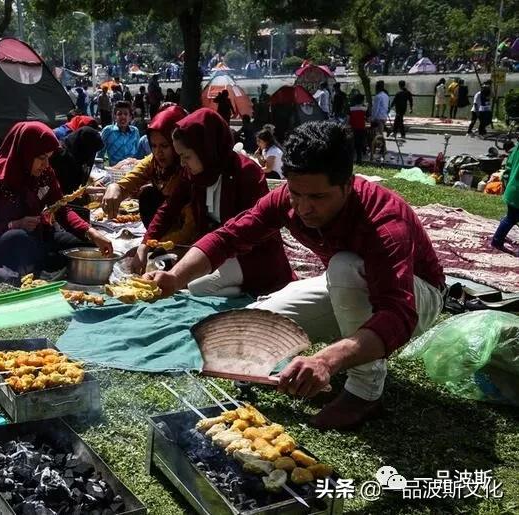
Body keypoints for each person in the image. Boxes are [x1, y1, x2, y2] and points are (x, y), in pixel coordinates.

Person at [146, 122, 445, 430]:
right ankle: (346, 346)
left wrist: (326, 361)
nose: (304, 208)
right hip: (350, 285)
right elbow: (229, 236)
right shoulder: (287, 200)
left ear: (348, 185)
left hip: (415, 296)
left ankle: (364, 392)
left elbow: (397, 313)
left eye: (318, 197)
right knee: (251, 328)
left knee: (343, 266)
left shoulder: (384, 221)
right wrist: (176, 277)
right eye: (296, 194)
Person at [138, 108, 295, 296]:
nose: (182, 163)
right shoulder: (193, 176)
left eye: (186, 157)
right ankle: (242, 290)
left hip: (251, 254)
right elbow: (169, 208)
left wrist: (193, 265)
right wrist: (145, 243)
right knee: (176, 271)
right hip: (217, 250)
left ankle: (254, 288)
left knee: (194, 286)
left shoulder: (246, 174)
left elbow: (246, 231)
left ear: (206, 149)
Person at [0, 122, 112, 276]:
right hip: (3, 242)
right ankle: (49, 261)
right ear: (25, 152)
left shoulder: (45, 174)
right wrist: (15, 224)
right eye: (41, 158)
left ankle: (48, 261)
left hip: (39, 236)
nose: (46, 165)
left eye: (49, 158)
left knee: (88, 244)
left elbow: (61, 208)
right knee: (18, 238)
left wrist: (90, 232)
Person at [101, 105, 197, 242]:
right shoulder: (154, 162)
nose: (158, 153)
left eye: (165, 146)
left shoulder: (190, 168)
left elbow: (190, 227)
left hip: (191, 236)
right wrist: (115, 187)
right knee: (148, 195)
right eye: (154, 146)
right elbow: (132, 178)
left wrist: (155, 245)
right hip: (163, 227)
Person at [49, 126, 104, 195]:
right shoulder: (62, 157)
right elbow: (69, 190)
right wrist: (98, 192)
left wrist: (93, 179)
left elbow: (81, 170)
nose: (91, 155)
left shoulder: (79, 152)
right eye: (91, 151)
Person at [491, 141, 519, 256]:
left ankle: (497, 240)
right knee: (511, 218)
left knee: (511, 217)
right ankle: (497, 241)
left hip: (512, 189)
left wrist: (506, 185)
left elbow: (507, 170)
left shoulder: (515, 150)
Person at [98, 101, 140, 166]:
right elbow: (99, 155)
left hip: (133, 169)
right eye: (119, 114)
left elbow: (138, 153)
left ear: (130, 117)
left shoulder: (135, 131)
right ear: (115, 117)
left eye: (126, 114)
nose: (123, 116)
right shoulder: (108, 131)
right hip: (115, 169)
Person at [349, 93, 368, 165]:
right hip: (361, 128)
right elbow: (369, 119)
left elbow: (348, 119)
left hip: (353, 128)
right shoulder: (364, 109)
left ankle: (352, 158)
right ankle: (359, 158)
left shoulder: (351, 109)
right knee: (360, 143)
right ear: (362, 100)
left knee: (354, 143)